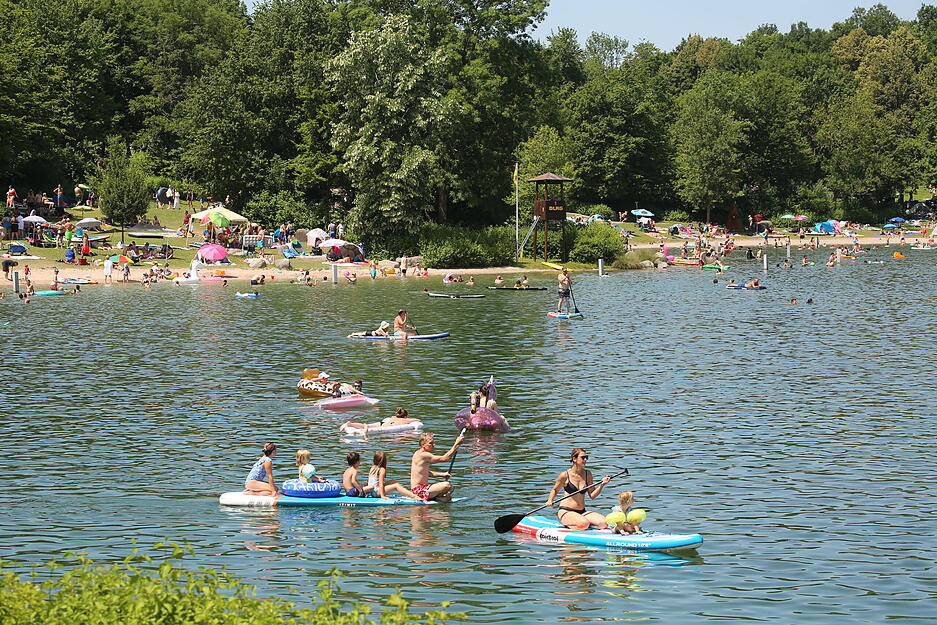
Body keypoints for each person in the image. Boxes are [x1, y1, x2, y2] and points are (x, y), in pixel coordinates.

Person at [546, 448, 611, 531]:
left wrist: (602, 485)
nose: (585, 460)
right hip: (566, 511)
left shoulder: (588, 474)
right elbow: (555, 490)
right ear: (574, 459)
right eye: (583, 457)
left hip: (582, 512)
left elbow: (592, 496)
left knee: (604, 523)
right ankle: (576, 526)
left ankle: (583, 526)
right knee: (584, 524)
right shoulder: (565, 475)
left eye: (586, 457)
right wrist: (550, 500)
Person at [409, 431, 465, 502]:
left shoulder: (417, 453)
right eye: (431, 443)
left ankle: (435, 498)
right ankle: (433, 498)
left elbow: (426, 473)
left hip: (419, 489)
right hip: (419, 491)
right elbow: (445, 458)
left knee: (447, 497)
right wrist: (456, 444)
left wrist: (443, 474)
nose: (434, 445)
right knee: (447, 486)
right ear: (423, 444)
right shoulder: (424, 455)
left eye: (433, 443)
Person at [339, 407, 420, 441]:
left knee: (368, 425)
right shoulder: (405, 420)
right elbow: (417, 420)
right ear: (405, 416)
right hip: (388, 426)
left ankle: (350, 424)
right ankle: (365, 429)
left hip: (383, 423)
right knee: (368, 428)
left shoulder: (392, 417)